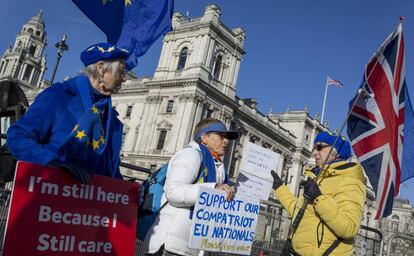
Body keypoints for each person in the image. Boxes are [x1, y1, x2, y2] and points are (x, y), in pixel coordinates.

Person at [7, 42, 129, 182]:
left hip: (94, 199)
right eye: (120, 71)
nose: (124, 78)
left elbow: (109, 167)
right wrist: (52, 162)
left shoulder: (111, 117)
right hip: (53, 191)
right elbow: (17, 136)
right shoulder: (60, 95)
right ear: (101, 69)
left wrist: (130, 190)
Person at [142, 118, 238, 256]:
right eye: (221, 136)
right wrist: (214, 188)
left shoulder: (219, 167)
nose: (226, 141)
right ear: (204, 138)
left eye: (227, 137)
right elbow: (174, 192)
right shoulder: (191, 154)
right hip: (171, 245)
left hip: (193, 246)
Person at [271, 131, 366, 256]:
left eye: (320, 147)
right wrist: (280, 188)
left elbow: (349, 227)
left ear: (336, 151)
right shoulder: (318, 178)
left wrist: (318, 198)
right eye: (314, 148)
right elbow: (298, 212)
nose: (314, 152)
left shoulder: (351, 181)